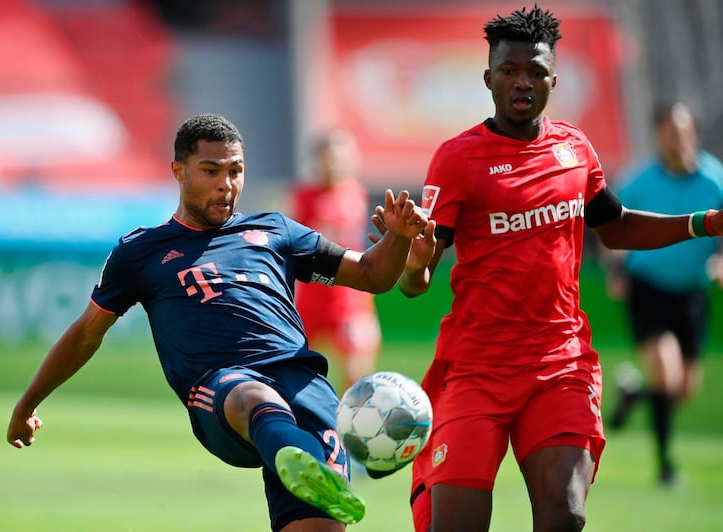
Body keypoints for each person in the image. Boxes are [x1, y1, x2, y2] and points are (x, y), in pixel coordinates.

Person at [368, 6, 723, 532]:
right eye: (509, 70)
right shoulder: (457, 159)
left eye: (535, 71)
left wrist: (707, 222)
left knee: (565, 515)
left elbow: (617, 226)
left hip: (559, 364)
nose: (522, 82)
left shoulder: (575, 148)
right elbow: (417, 283)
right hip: (477, 368)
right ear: (488, 78)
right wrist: (415, 261)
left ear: (554, 79)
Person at [6, 113, 436, 532]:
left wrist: (398, 238)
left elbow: (372, 275)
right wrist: (27, 404)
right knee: (252, 395)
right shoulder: (142, 252)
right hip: (220, 391)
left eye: (235, 171)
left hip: (304, 386)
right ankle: (297, 457)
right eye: (210, 170)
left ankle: (303, 465)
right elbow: (86, 332)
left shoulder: (275, 232)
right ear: (179, 171)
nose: (225, 184)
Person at [604, 101, 723, 486]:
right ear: (658, 134)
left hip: (692, 294)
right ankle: (666, 466)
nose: (675, 137)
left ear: (694, 132)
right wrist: (616, 268)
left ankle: (634, 394)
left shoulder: (715, 180)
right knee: (667, 374)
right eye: (668, 130)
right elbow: (608, 223)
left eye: (682, 129)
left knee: (683, 390)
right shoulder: (641, 180)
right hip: (648, 288)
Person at [289, 128, 381, 391]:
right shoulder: (304, 197)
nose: (337, 162)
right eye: (331, 156)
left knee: (356, 373)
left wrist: (367, 308)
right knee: (294, 368)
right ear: (318, 160)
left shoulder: (357, 194)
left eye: (343, 155)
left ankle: (348, 427)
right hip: (311, 298)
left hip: (349, 300)